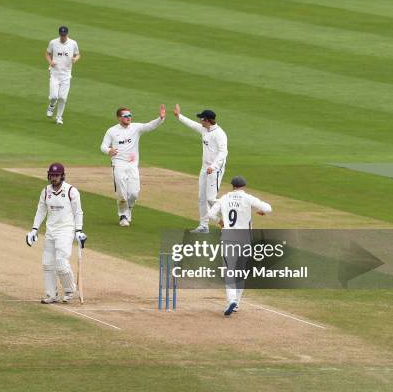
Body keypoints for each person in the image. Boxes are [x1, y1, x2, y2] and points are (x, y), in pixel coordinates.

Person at [208, 176, 272, 316]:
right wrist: (262, 212)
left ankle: (231, 300)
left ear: (232, 186)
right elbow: (268, 208)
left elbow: (211, 214)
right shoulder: (248, 198)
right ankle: (236, 302)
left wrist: (220, 221)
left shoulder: (224, 198)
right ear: (243, 186)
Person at [26, 163, 87, 304]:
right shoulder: (46, 191)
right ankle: (51, 294)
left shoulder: (71, 191)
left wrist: (79, 230)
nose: (54, 178)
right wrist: (34, 229)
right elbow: (41, 211)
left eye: (56, 175)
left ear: (62, 176)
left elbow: (78, 212)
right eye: (52, 175)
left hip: (66, 231)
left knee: (61, 263)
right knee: (47, 264)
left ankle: (70, 290)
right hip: (50, 231)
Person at [100, 105, 166, 226]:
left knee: (134, 194)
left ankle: (128, 209)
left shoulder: (135, 128)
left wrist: (160, 118)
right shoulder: (112, 131)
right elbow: (103, 146)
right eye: (125, 116)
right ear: (119, 118)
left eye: (129, 115)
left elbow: (149, 126)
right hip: (118, 164)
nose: (128, 118)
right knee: (122, 194)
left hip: (132, 164)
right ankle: (122, 215)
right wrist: (109, 151)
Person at [174, 104, 227, 233]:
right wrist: (178, 116)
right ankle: (204, 225)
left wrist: (213, 166)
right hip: (205, 169)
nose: (199, 121)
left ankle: (229, 216)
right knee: (202, 198)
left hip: (215, 170)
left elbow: (223, 152)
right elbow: (192, 124)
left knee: (211, 199)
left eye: (201, 119)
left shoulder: (219, 134)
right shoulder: (205, 129)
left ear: (207, 120)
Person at [45, 25, 80, 126]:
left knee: (62, 98)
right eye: (61, 35)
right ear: (59, 34)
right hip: (55, 73)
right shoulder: (53, 42)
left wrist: (75, 59)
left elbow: (78, 54)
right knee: (54, 96)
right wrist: (50, 62)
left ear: (67, 34)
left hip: (66, 75)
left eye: (64, 35)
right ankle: (51, 105)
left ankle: (59, 117)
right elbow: (47, 53)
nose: (63, 36)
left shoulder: (73, 43)